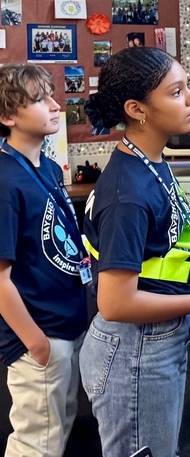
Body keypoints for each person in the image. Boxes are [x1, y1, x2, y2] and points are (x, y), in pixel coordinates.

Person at [79, 47, 190, 457]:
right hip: (134, 353)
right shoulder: (128, 192)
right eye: (177, 92)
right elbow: (115, 302)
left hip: (154, 343)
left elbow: (151, 258)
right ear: (137, 109)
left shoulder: (151, 161)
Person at [0, 64, 89, 457]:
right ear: (7, 117)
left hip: (65, 323)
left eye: (53, 95)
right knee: (37, 444)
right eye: (39, 100)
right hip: (39, 333)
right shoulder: (4, 180)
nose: (56, 106)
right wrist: (36, 344)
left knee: (60, 427)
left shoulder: (49, 168)